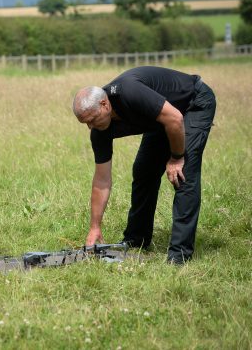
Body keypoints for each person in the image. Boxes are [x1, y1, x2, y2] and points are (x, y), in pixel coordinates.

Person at [72, 66, 216, 265]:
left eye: (93, 120)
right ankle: (136, 239)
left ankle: (179, 255)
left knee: (183, 175)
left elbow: (175, 118)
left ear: (105, 104)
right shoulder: (99, 129)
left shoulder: (129, 92)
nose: (91, 127)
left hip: (192, 104)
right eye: (86, 123)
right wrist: (95, 227)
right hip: (161, 119)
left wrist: (176, 158)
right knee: (143, 171)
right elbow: (101, 181)